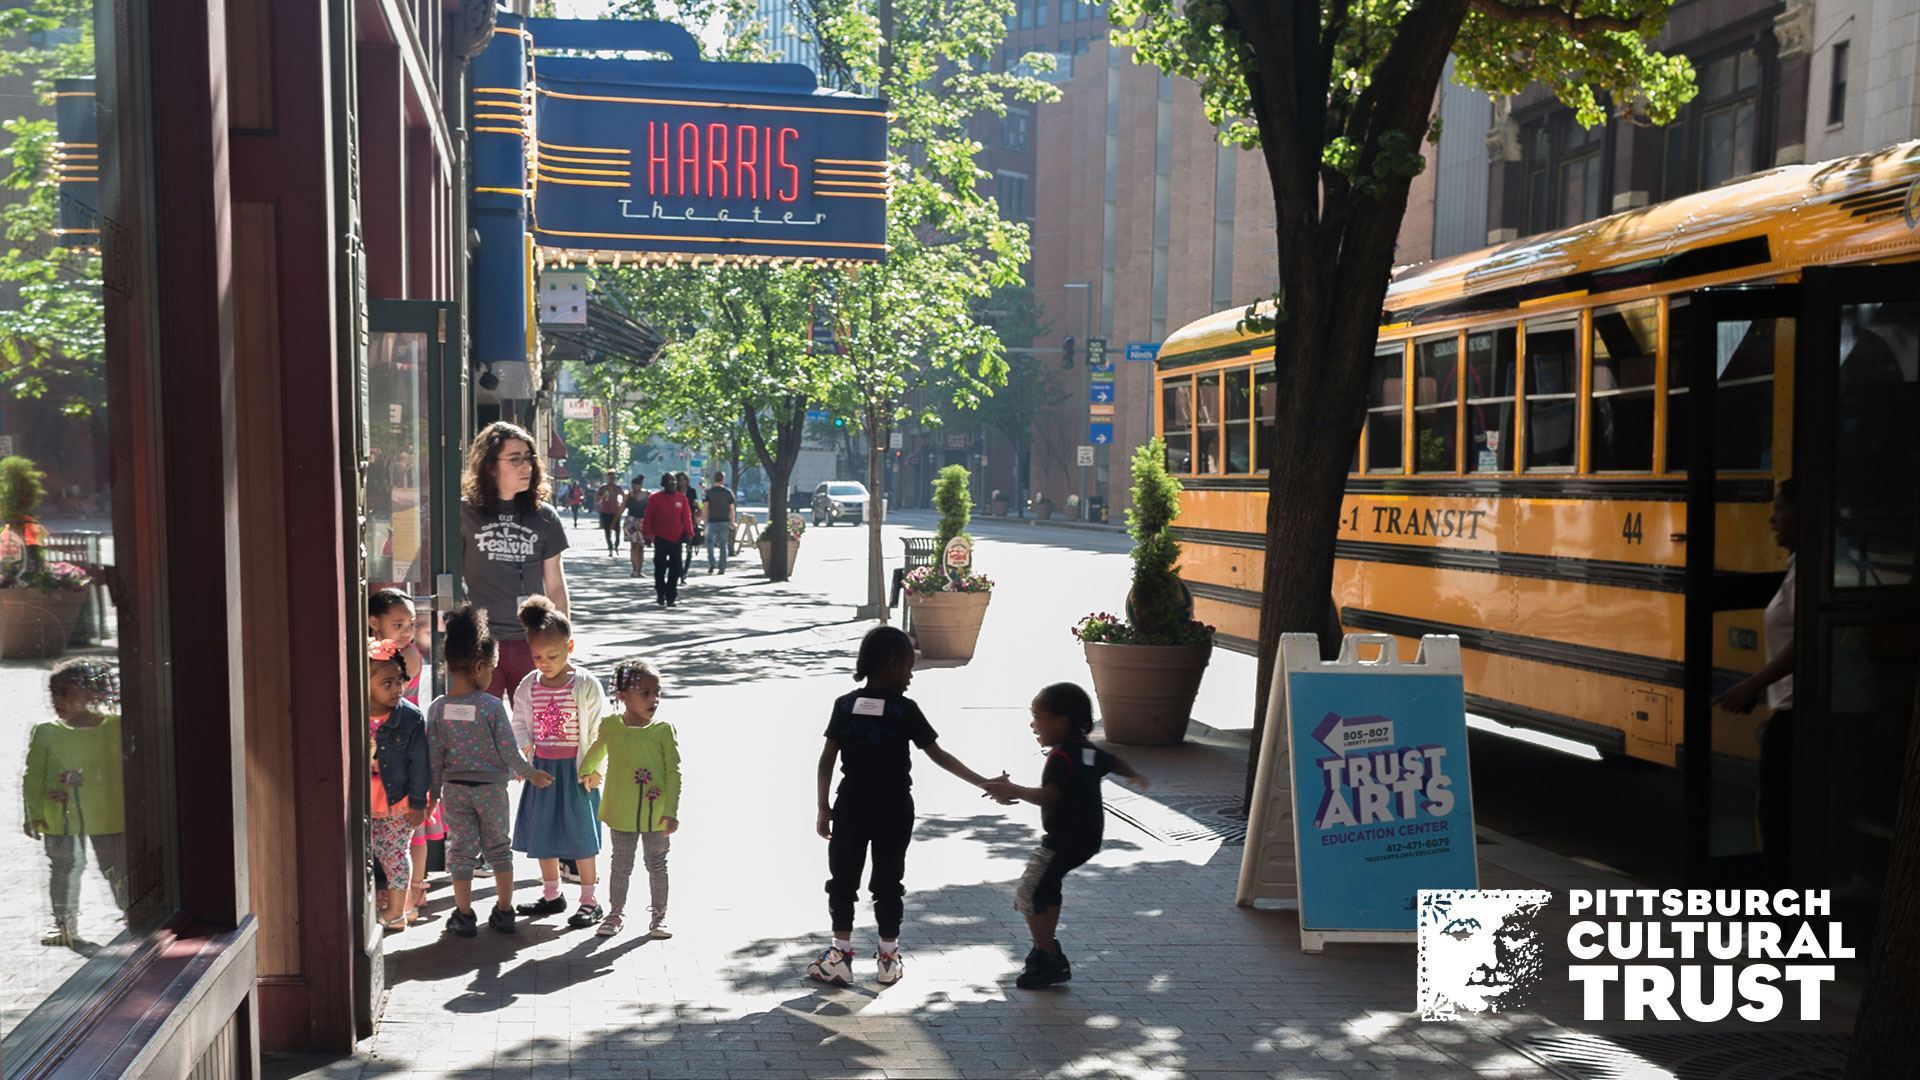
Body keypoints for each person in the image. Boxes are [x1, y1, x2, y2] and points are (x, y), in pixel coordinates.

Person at [807, 626, 1004, 987]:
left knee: (843, 878)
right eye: (909, 668)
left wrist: (823, 805)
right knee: (888, 880)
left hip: (850, 804)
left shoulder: (845, 705)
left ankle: (840, 956)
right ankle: (888, 959)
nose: (911, 677)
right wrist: (982, 782)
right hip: (894, 806)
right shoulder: (904, 710)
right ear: (891, 664)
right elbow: (938, 754)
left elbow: (827, 759)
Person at [983, 683, 1147, 988]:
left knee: (1028, 892)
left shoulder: (1061, 757)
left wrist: (1013, 789)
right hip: (1087, 839)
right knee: (1048, 886)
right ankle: (1045, 951)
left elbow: (1050, 796)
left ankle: (1048, 957)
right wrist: (1134, 775)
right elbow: (1114, 762)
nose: (1033, 724)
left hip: (1063, 840)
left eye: (1037, 716)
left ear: (1061, 721)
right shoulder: (1087, 750)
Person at [428, 604, 554, 937]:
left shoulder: (438, 708)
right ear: (480, 666)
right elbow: (508, 750)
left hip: (455, 791)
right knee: (499, 849)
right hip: (492, 791)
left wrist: (432, 793)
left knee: (461, 851)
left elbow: (434, 757)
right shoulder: (491, 706)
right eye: (492, 669)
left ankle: (464, 914)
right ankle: (504, 910)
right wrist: (531, 774)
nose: (491, 676)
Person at [1713, 479, 1797, 883]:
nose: (1771, 519)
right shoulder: (1799, 567)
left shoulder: (1812, 571)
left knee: (1777, 814)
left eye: (1780, 509)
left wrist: (1752, 685)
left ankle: (1784, 901)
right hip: (1792, 704)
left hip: (1798, 709)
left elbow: (1806, 642)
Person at [509, 596, 611, 928]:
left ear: (570, 647)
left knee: (582, 835)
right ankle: (551, 894)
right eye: (537, 656)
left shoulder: (585, 683)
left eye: (552, 656)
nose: (545, 663)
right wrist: (525, 752)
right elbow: (519, 722)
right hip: (543, 770)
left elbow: (601, 729)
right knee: (544, 832)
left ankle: (589, 900)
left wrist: (596, 769)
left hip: (577, 770)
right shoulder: (529, 685)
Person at [24, 658, 128, 955]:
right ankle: (64, 925)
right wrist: (34, 813)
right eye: (53, 693)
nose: (57, 700)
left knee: (116, 867)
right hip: (60, 816)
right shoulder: (46, 731)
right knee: (63, 868)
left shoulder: (116, 727)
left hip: (110, 816)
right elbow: (33, 775)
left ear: (94, 692)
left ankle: (133, 914)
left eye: (65, 692)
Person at [459, 422, 570, 699]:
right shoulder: (464, 513)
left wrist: (561, 638)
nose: (526, 467)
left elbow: (555, 584)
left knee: (540, 720)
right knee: (484, 721)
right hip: (481, 642)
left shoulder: (545, 516)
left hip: (533, 642)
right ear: (490, 466)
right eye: (515, 459)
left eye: (529, 458)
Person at [582, 659, 680, 940]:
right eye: (645, 693)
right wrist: (585, 772)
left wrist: (671, 811)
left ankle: (659, 917)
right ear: (622, 696)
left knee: (657, 864)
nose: (654, 699)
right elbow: (597, 751)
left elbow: (673, 773)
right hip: (621, 812)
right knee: (621, 864)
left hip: (656, 814)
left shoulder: (663, 731)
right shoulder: (611, 726)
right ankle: (615, 914)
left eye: (657, 692)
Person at [368, 639, 430, 931]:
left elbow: (420, 764)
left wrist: (418, 804)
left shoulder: (410, 717)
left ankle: (396, 912)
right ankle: (391, 907)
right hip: (364, 798)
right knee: (371, 854)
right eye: (387, 683)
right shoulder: (353, 714)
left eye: (400, 681)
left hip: (397, 799)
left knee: (394, 854)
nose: (397, 689)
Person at [640, 472, 694, 608]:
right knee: (660, 566)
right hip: (660, 538)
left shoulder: (681, 498)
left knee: (676, 567)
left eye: (675, 481)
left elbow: (686, 517)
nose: (673, 483)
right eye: (670, 481)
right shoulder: (655, 498)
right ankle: (660, 593)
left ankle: (671, 596)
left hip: (676, 538)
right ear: (664, 484)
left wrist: (689, 534)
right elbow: (648, 517)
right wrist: (647, 535)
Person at [367, 587, 424, 702]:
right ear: (374, 623)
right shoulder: (370, 648)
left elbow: (388, 695)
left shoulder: (409, 654)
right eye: (398, 625)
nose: (407, 632)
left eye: (412, 624)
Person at [703, 472, 738, 574]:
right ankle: (722, 568)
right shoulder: (728, 492)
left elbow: (706, 508)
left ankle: (712, 563)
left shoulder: (709, 492)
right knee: (723, 545)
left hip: (712, 521)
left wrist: (704, 522)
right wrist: (732, 521)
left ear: (714, 479)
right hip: (724, 521)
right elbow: (732, 509)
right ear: (723, 479)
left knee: (709, 542)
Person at [623, 476, 650, 579]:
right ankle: (635, 569)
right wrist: (614, 522)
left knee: (641, 547)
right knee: (634, 546)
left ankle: (639, 570)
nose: (634, 487)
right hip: (631, 522)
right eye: (633, 485)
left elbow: (651, 509)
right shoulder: (628, 496)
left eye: (636, 485)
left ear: (641, 485)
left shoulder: (647, 495)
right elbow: (622, 508)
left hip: (642, 522)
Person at [676, 472, 700, 587]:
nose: (682, 482)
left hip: (689, 522)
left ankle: (685, 571)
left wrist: (697, 506)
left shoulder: (691, 491)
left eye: (684, 480)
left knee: (689, 548)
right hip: (677, 523)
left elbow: (696, 507)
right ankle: (680, 571)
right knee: (677, 549)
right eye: (679, 480)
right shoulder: (674, 492)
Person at [596, 472, 625, 556]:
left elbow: (624, 496)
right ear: (607, 478)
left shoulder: (617, 488)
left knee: (618, 530)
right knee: (607, 531)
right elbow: (598, 499)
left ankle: (616, 545)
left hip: (615, 511)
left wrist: (621, 504)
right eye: (610, 478)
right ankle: (610, 548)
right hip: (605, 511)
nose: (612, 479)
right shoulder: (603, 488)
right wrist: (602, 497)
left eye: (613, 478)